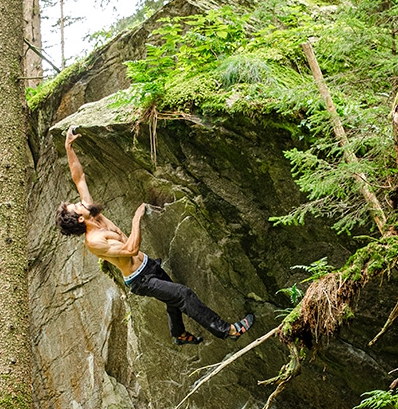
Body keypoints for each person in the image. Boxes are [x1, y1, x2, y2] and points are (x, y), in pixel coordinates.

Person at [55, 127, 255, 346]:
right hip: (141, 280)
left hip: (149, 265)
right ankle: (228, 331)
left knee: (172, 301)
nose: (80, 202)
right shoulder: (94, 242)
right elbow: (130, 250)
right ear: (80, 219)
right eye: (77, 206)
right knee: (183, 294)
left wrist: (69, 147)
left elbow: (79, 177)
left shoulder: (94, 213)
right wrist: (135, 219)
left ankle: (178, 334)